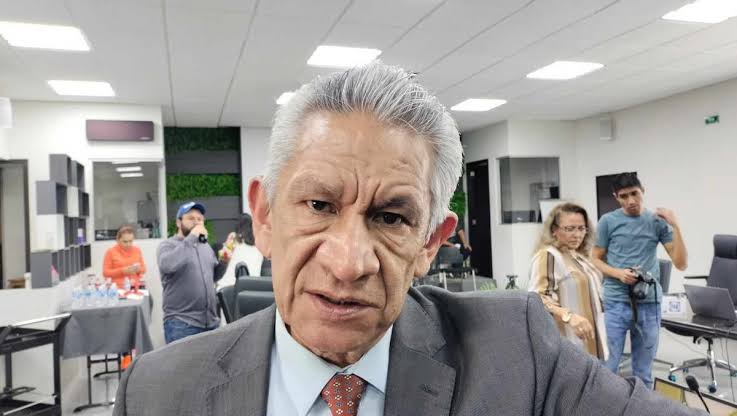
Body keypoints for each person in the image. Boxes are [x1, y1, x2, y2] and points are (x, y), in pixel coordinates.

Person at [114, 63, 702, 415]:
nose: (348, 263)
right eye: (318, 206)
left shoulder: (516, 352)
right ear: (264, 216)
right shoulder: (158, 392)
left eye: (392, 218)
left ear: (430, 242)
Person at [592, 172, 688, 388]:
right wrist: (618, 273)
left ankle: (641, 404)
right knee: (608, 367)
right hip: (616, 301)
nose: (631, 201)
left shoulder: (656, 222)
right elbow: (595, 259)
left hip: (649, 303)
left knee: (643, 373)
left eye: (634, 193)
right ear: (616, 197)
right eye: (624, 196)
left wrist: (676, 226)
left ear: (642, 190)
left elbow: (681, 263)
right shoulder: (608, 221)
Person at [529, 202, 607, 360]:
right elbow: (537, 298)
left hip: (591, 344)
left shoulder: (578, 256)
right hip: (568, 346)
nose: (577, 235)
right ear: (554, 230)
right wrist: (569, 316)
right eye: (570, 229)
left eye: (581, 228)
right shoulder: (549, 255)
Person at [156, 201, 228, 343]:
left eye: (199, 219)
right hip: (182, 324)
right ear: (178, 222)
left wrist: (224, 262)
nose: (196, 222)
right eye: (190, 218)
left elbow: (213, 277)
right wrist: (192, 237)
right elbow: (167, 265)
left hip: (210, 323)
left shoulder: (205, 246)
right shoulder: (167, 245)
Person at [215, 213, 264, 291]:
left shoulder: (233, 238)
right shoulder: (260, 244)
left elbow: (224, 258)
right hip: (253, 288)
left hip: (228, 287)